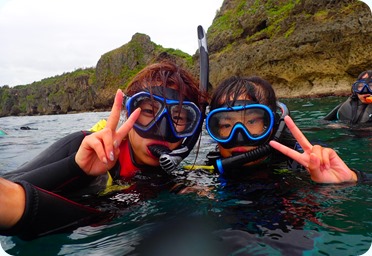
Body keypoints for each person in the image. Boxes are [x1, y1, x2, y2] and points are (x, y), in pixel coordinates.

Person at [0, 61, 207, 240]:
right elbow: (5, 192)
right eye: (148, 112)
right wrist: (75, 167)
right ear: (128, 113)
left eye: (178, 119)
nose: (162, 131)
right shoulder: (82, 146)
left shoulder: (172, 177)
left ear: (191, 129)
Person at [204, 75, 370, 183]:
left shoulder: (302, 161)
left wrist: (350, 179)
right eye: (226, 125)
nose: (239, 135)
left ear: (274, 125)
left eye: (252, 121)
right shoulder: (205, 170)